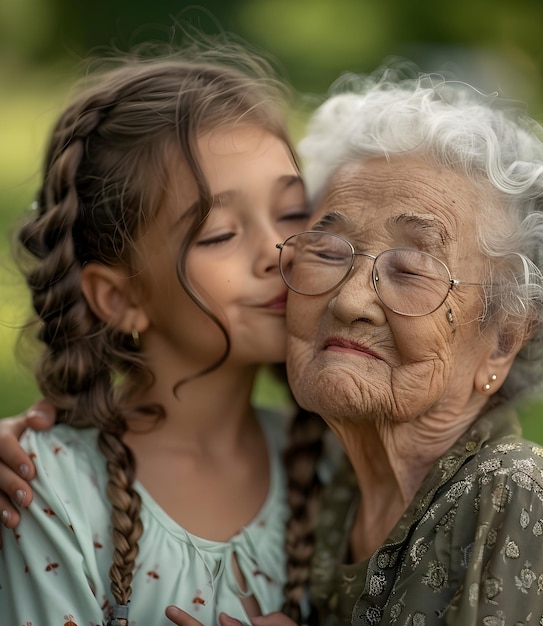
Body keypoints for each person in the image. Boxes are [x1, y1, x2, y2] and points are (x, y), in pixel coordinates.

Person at [3, 71, 543, 626]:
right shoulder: (338, 484)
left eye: (412, 270)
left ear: (506, 339)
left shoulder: (504, 495)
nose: (284, 259)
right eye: (329, 248)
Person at [0, 37, 325, 626]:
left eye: (293, 212)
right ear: (121, 298)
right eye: (220, 234)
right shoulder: (46, 489)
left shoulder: (333, 468)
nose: (278, 251)